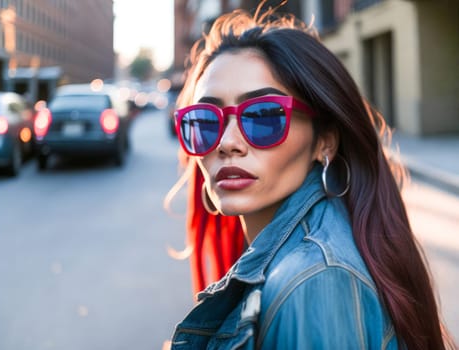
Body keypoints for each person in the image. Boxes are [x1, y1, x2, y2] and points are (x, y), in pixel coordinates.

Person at [167, 2, 456, 349]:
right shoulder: (308, 254)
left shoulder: (316, 281)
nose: (227, 143)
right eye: (206, 121)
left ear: (325, 141)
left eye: (263, 116)